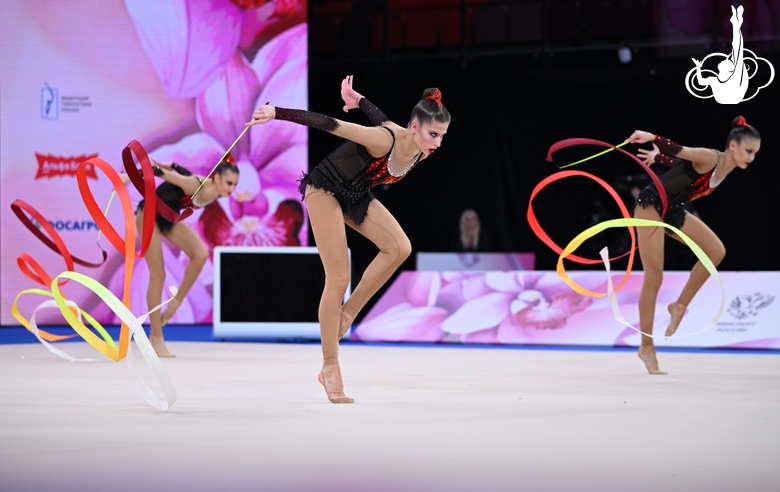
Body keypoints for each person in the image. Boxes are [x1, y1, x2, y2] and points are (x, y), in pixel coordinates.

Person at [246, 75, 451, 403]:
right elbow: (330, 123)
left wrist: (360, 101)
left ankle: (350, 312)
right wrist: (276, 112)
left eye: (442, 136)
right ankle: (329, 366)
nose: (438, 142)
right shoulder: (384, 141)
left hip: (354, 193)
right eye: (433, 134)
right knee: (338, 276)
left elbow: (381, 116)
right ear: (414, 126)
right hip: (324, 188)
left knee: (400, 247)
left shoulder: (421, 150)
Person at [626, 116, 760, 374]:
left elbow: (680, 164)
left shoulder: (725, 170)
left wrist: (657, 160)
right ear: (733, 145)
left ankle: (679, 304)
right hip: (651, 205)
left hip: (672, 208)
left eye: (755, 153)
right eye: (748, 151)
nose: (751, 157)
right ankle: (646, 346)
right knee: (654, 278)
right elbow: (680, 150)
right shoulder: (712, 157)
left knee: (716, 251)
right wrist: (652, 137)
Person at [122, 157, 240, 357]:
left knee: (200, 254)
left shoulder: (216, 191)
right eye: (229, 183)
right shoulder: (196, 184)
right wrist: (126, 177)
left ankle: (175, 301)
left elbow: (182, 172)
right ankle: (156, 337)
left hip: (168, 217)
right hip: (150, 213)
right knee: (158, 275)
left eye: (235, 185)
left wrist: (174, 165)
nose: (232, 189)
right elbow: (157, 172)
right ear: (217, 177)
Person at [691, 5, 748, 104]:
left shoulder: (732, 78)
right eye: (728, 61)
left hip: (733, 97)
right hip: (726, 98)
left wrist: (736, 25)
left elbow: (737, 47)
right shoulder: (715, 80)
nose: (725, 59)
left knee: (737, 52)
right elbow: (701, 82)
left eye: (727, 61)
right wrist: (698, 67)